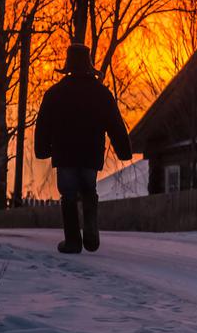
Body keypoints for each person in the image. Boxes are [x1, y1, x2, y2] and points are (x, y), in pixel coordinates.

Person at [34, 44, 132, 254]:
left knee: (68, 194)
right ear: (89, 65)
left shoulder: (55, 93)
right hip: (90, 154)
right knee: (89, 190)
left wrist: (42, 149)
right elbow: (115, 124)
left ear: (68, 66)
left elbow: (43, 124)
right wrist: (124, 150)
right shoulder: (101, 93)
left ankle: (72, 241)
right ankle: (90, 232)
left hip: (65, 154)